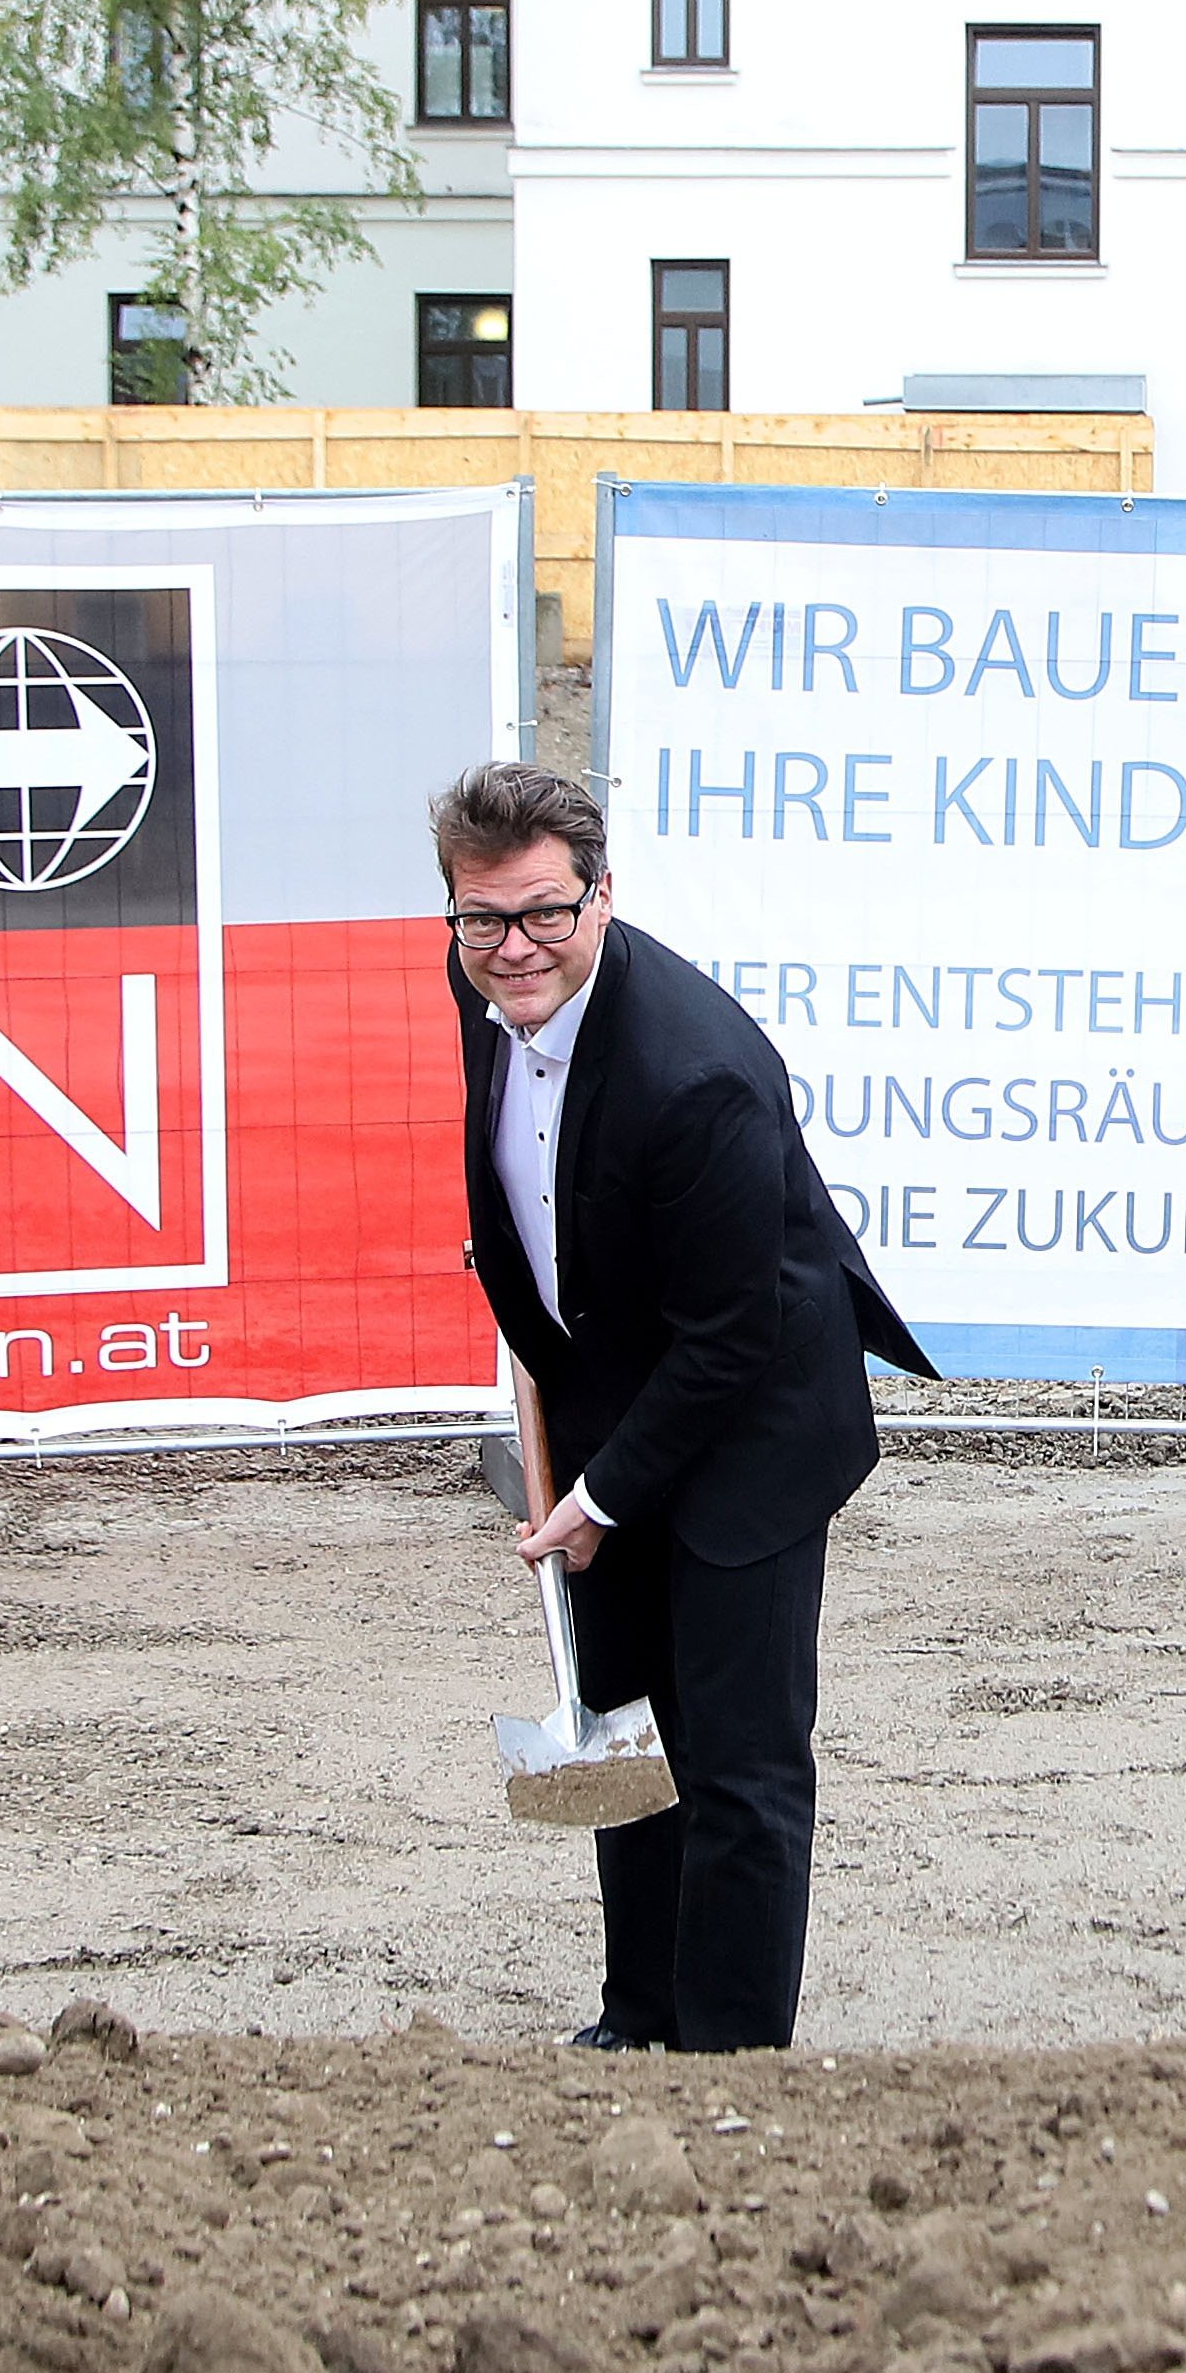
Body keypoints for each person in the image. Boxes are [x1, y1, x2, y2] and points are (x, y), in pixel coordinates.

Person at [436, 759, 929, 2053]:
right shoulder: (481, 982)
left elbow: (732, 1337)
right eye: (484, 919)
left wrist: (603, 1497)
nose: (516, 946)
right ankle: (637, 2015)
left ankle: (729, 2062)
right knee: (625, 1733)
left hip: (753, 1423)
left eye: (548, 912)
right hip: (614, 1392)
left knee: (737, 1765)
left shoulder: (695, 1071)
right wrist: (578, 1448)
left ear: (605, 896)